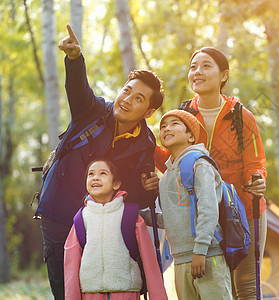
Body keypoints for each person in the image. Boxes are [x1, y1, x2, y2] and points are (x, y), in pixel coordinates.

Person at [35, 24, 163, 299]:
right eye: (126, 91)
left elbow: (136, 197)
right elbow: (78, 88)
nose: (127, 100)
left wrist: (149, 188)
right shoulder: (92, 111)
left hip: (105, 228)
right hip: (59, 216)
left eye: (138, 98)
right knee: (66, 292)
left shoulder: (145, 144)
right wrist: (74, 59)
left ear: (149, 111)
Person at [156, 47, 267, 299]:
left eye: (206, 66)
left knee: (246, 289)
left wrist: (257, 179)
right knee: (213, 286)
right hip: (198, 216)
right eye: (193, 66)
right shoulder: (183, 115)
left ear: (223, 75)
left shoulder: (241, 116)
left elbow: (256, 161)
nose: (197, 72)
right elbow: (172, 158)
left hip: (243, 211)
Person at [147, 109, 233, 299]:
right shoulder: (167, 175)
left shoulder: (199, 163)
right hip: (180, 259)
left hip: (207, 256)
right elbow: (174, 218)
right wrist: (139, 214)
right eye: (163, 126)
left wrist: (200, 251)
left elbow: (208, 209)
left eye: (175, 124)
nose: (167, 129)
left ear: (191, 136)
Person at [64, 159, 167, 300]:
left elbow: (150, 264)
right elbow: (71, 268)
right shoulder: (80, 219)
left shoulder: (130, 216)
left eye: (103, 173)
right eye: (91, 174)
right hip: (90, 294)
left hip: (126, 293)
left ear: (116, 184)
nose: (95, 177)